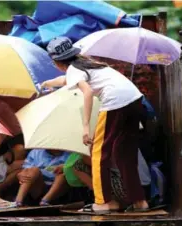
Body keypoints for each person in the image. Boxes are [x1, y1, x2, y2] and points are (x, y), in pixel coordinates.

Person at [41, 36, 148, 214]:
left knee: (98, 154)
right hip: (134, 100)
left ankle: (104, 202)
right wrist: (47, 83)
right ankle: (139, 201)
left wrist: (85, 127)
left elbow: (88, 92)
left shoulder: (75, 69)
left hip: (115, 103)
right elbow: (68, 80)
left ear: (57, 62)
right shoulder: (89, 64)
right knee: (124, 154)